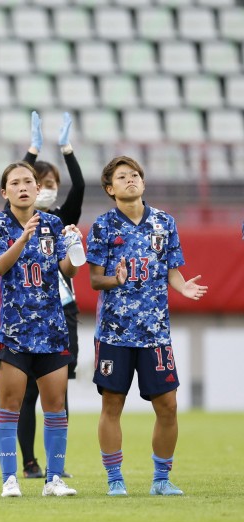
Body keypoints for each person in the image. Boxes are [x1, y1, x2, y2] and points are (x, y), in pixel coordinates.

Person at [86, 156, 207, 497]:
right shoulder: (103, 226)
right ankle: (115, 480)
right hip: (114, 333)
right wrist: (115, 279)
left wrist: (182, 286)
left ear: (144, 182)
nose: (131, 180)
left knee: (168, 405)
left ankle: (161, 479)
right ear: (110, 189)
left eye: (135, 174)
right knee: (112, 405)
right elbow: (95, 280)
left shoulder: (164, 223)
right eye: (122, 177)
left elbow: (174, 271)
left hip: (155, 333)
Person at [0, 161, 81, 497]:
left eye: (28, 181)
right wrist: (23, 238)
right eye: (15, 182)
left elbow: (66, 271)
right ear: (5, 191)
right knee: (10, 405)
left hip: (52, 328)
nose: (23, 187)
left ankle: (54, 478)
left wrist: (74, 250)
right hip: (13, 330)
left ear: (38, 189)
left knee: (56, 406)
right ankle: (9, 478)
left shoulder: (53, 223)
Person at [17, 111, 86, 479]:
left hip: (63, 310)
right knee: (26, 393)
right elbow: (15, 181)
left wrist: (67, 150)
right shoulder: (13, 220)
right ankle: (29, 462)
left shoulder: (61, 219)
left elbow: (80, 187)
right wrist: (32, 151)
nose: (46, 187)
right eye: (40, 182)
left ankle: (56, 463)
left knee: (59, 391)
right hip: (26, 312)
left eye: (50, 182)